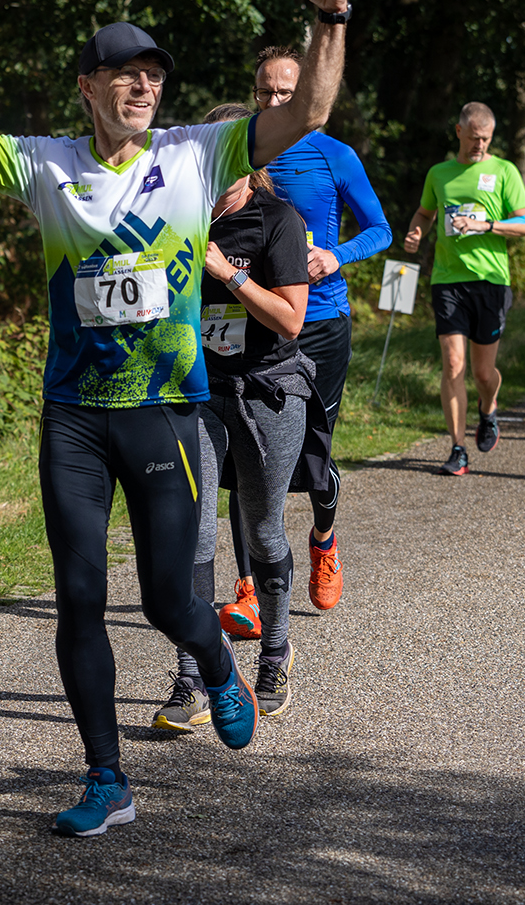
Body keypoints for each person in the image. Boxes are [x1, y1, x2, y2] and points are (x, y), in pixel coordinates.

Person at [0, 0, 350, 836]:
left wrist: (331, 17)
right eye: (125, 72)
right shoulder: (47, 165)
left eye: (155, 74)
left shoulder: (198, 153)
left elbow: (307, 112)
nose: (143, 84)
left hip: (165, 412)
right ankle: (105, 777)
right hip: (77, 420)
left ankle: (211, 659)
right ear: (88, 87)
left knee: (171, 600)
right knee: (78, 596)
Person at [211, 46, 393, 633]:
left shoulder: (333, 155)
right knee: (240, 454)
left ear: (312, 96)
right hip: (248, 319)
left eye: (287, 93)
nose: (274, 103)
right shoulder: (236, 153)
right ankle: (246, 589)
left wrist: (334, 257)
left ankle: (322, 537)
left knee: (314, 452)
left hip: (318, 323)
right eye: (265, 92)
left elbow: (381, 230)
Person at [153, 104, 311, 732]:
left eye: (228, 164)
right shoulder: (179, 219)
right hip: (199, 390)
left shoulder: (279, 221)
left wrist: (225, 275)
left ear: (250, 164)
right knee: (193, 533)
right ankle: (195, 674)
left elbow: (291, 320)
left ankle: (274, 653)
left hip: (269, 389)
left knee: (264, 529)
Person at [402, 103, 525, 475]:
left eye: (486, 139)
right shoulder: (439, 173)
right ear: (459, 132)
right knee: (453, 364)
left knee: (483, 373)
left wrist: (485, 226)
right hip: (447, 280)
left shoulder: (504, 170)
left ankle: (488, 408)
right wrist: (416, 231)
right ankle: (458, 447)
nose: (480, 145)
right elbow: (426, 213)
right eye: (474, 138)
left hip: (491, 281)